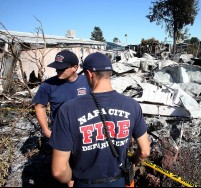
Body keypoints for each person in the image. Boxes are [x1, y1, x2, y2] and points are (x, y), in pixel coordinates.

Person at [49, 52, 150, 187]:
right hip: (119, 181)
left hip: (85, 183)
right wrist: (132, 161)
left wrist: (69, 180)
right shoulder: (132, 105)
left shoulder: (68, 110)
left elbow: (59, 170)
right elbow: (145, 151)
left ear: (89, 74)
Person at [33, 50, 90, 138]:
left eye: (62, 68)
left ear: (75, 67)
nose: (58, 71)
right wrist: (47, 131)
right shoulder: (48, 85)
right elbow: (39, 107)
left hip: (86, 130)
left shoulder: (88, 82)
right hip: (61, 131)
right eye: (57, 68)